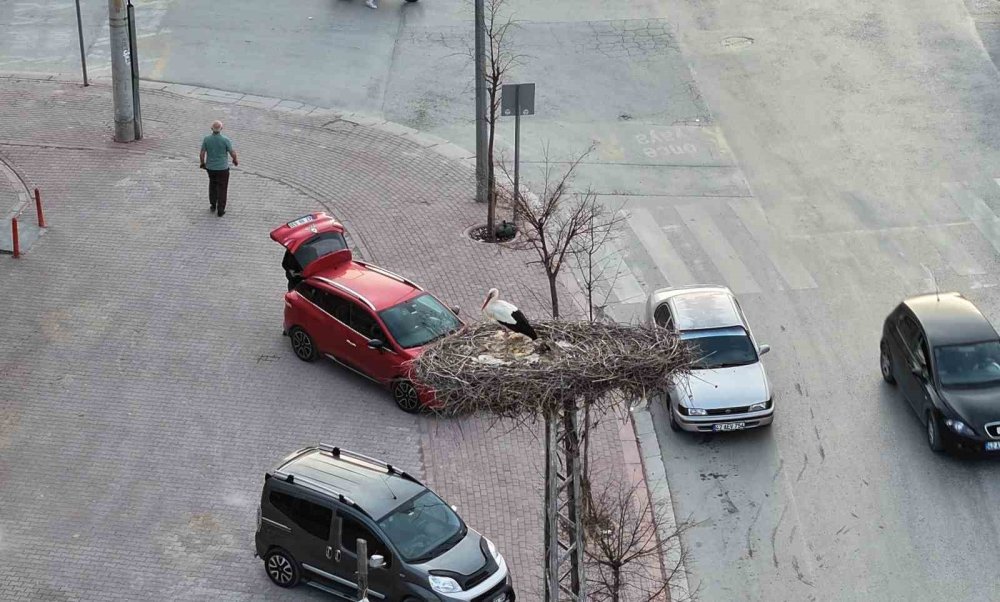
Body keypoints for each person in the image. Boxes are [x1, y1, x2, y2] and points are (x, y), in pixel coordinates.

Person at [199, 120, 239, 217]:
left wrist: (202, 163)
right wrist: (235, 160)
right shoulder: (225, 140)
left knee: (212, 185)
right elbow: (232, 152)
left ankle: (213, 204)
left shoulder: (206, 139)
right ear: (221, 129)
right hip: (222, 168)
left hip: (210, 168)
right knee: (222, 188)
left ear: (211, 128)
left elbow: (202, 153)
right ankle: (221, 209)